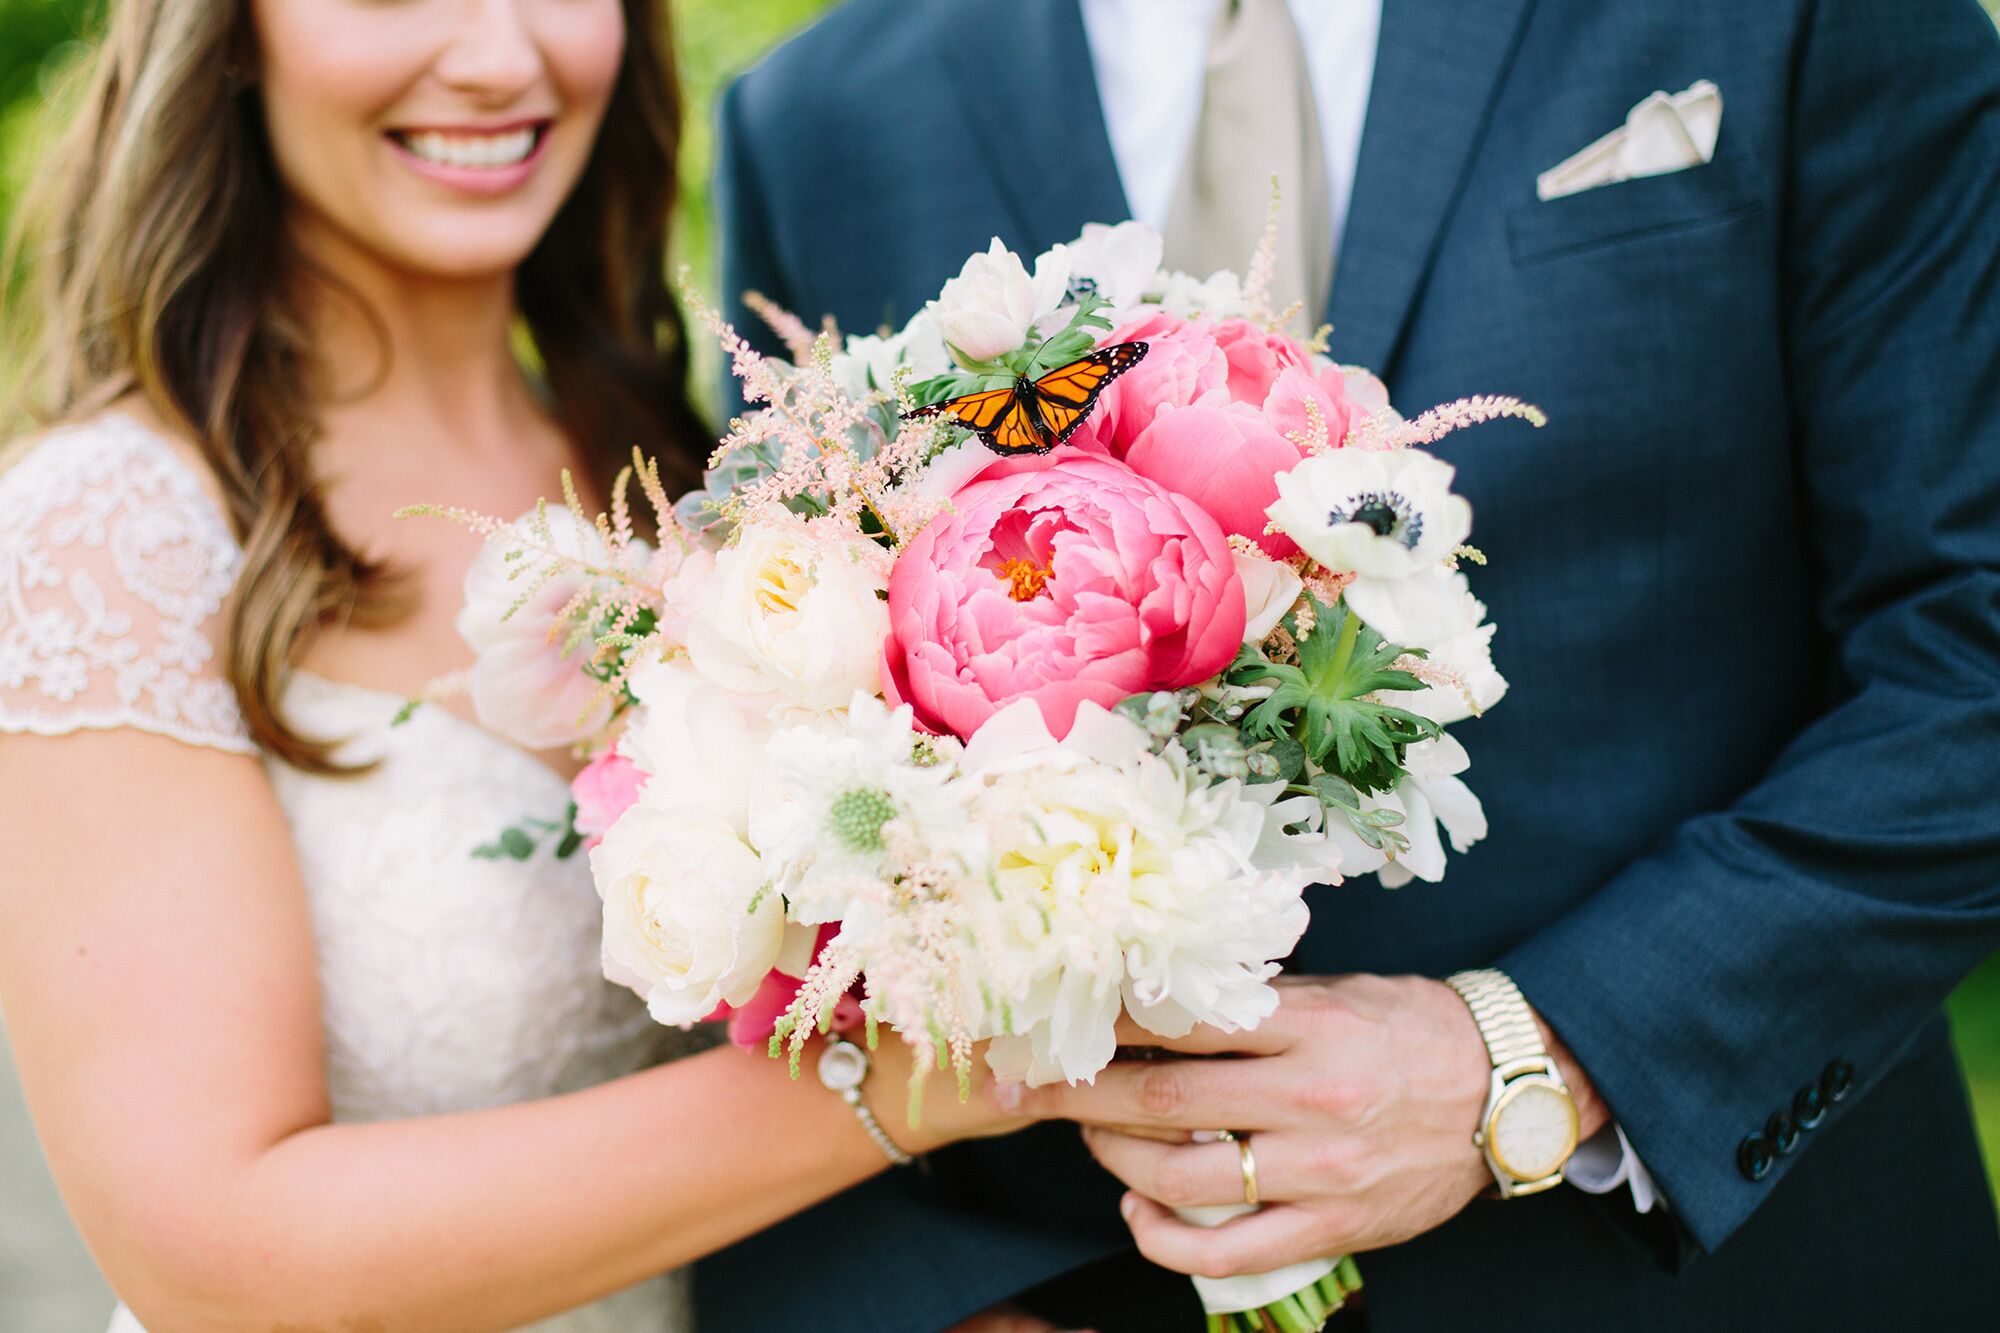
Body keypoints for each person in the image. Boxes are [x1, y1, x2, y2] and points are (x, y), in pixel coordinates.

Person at [704, 0, 2000, 1329]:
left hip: (1717, 1283)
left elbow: (1970, 656)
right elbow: (772, 763)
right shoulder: (819, 121)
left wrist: (1533, 1055)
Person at [0, 2, 1024, 1330]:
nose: (498, 56)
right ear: (231, 31)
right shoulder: (107, 536)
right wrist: (930, 1077)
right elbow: (219, 1254)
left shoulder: (690, 479)